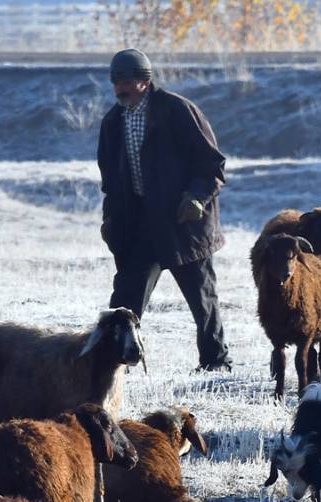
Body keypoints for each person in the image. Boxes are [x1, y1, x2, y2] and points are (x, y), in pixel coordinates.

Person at [97, 48, 232, 372]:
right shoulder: (113, 122)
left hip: (183, 223)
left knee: (203, 300)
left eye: (126, 80)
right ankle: (112, 363)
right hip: (140, 226)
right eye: (115, 80)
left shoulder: (177, 111)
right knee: (125, 301)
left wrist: (197, 198)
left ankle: (215, 362)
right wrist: (110, 218)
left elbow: (212, 165)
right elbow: (111, 180)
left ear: (145, 81)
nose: (120, 87)